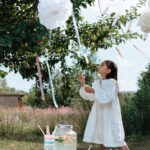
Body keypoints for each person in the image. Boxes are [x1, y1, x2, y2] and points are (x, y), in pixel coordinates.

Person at [78, 60, 129, 150]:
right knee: (102, 140)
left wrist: (94, 91)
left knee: (118, 139)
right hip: (100, 114)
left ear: (108, 70)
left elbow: (108, 97)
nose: (99, 66)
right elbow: (90, 96)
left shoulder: (113, 83)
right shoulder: (97, 83)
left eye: (102, 65)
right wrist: (83, 84)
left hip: (111, 115)